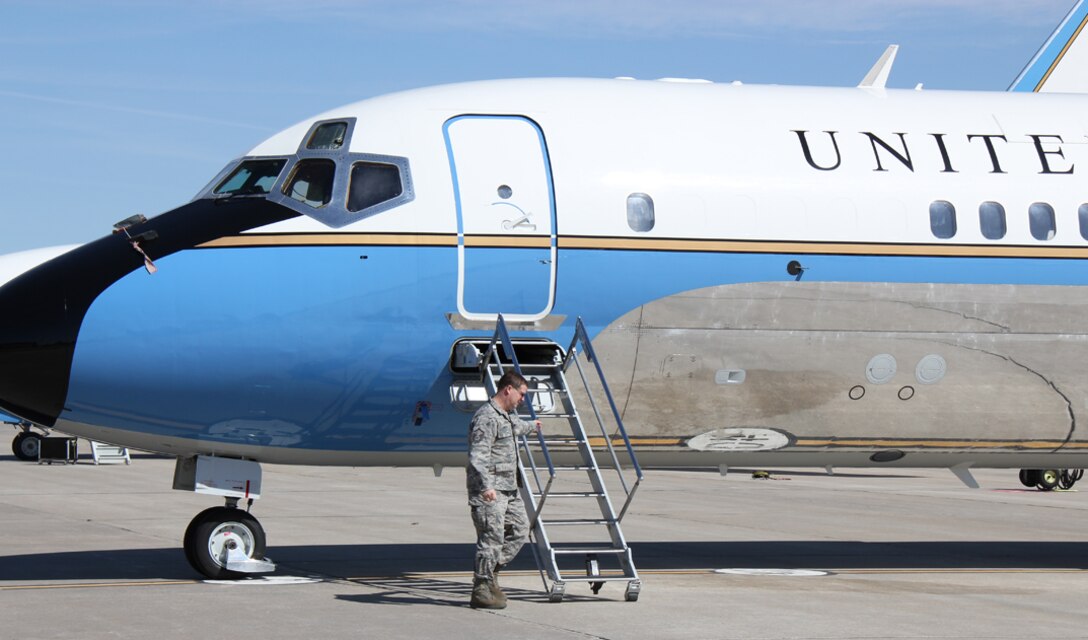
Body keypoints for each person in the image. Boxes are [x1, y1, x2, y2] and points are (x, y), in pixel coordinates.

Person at [466, 370, 541, 609]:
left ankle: (490, 573)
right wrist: (486, 487)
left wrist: (532, 426)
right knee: (491, 538)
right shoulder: (486, 417)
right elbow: (478, 457)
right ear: (508, 389)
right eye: (521, 394)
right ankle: (481, 588)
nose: (522, 399)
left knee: (520, 530)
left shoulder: (507, 415)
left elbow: (516, 428)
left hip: (509, 488)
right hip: (490, 491)